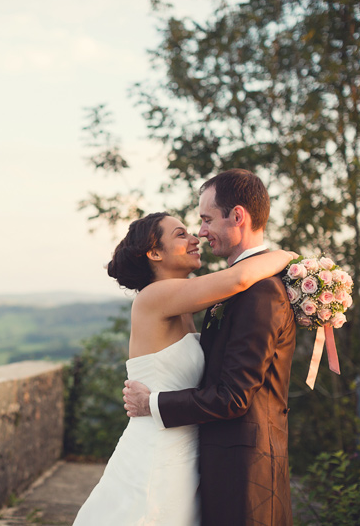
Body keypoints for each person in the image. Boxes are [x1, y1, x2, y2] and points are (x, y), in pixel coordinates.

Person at [73, 202, 296, 525]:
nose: (195, 238)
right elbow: (238, 280)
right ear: (155, 253)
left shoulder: (182, 305)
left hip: (185, 451)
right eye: (181, 235)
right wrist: (289, 258)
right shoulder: (154, 297)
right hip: (157, 451)